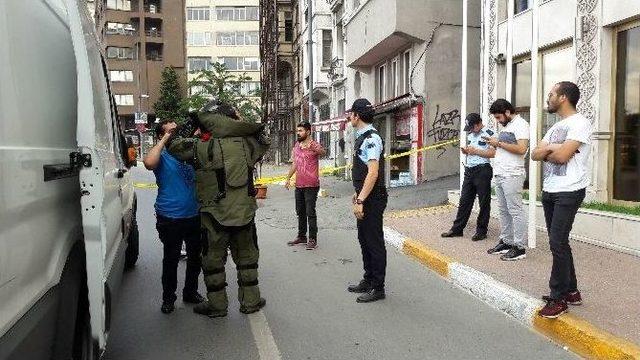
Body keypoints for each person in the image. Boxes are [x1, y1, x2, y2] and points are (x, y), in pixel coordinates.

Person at [167, 102, 269, 318]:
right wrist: (241, 124)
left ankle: (217, 305)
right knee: (247, 258)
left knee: (213, 261)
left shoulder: (200, 147)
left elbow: (173, 145)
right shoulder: (248, 144)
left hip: (213, 215)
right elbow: (264, 139)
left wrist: (193, 122)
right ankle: (250, 301)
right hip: (244, 213)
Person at [531, 81, 592, 318]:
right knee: (560, 242)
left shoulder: (581, 123)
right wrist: (552, 150)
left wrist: (552, 150)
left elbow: (564, 156)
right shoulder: (556, 126)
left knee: (557, 243)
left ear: (563, 97)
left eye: (551, 94)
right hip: (551, 190)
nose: (548, 98)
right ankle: (572, 291)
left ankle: (558, 299)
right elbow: (535, 153)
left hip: (570, 189)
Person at [143, 120, 204, 314]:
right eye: (170, 131)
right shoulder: (162, 155)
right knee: (171, 257)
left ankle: (190, 291)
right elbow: (148, 163)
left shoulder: (189, 154)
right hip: (170, 217)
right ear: (161, 135)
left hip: (194, 215)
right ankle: (168, 297)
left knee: (196, 257)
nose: (175, 133)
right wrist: (166, 139)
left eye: (175, 129)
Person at [346, 98, 388, 303]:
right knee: (364, 239)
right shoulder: (362, 136)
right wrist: (358, 193)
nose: (349, 117)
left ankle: (378, 287)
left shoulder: (371, 139)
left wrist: (361, 198)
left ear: (357, 116)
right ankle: (369, 279)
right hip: (365, 195)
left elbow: (373, 173)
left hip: (373, 198)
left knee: (374, 242)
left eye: (351, 114)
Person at [484, 99, 530, 261]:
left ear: (508, 112)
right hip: (500, 173)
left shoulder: (521, 125)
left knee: (515, 210)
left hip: (513, 174)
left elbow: (522, 149)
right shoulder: (507, 126)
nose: (497, 121)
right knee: (503, 210)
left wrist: (499, 143)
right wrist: (493, 144)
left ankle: (519, 247)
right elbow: (500, 148)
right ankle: (507, 241)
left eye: (498, 117)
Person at [441, 113, 495, 241]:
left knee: (484, 202)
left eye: (471, 127)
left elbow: (493, 153)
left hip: (482, 170)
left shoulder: (490, 133)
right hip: (470, 170)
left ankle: (481, 231)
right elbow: (473, 151)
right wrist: (467, 151)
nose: (470, 130)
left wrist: (475, 151)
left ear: (478, 124)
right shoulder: (471, 135)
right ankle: (457, 229)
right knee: (464, 200)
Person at [285, 122, 326, 250]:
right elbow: (295, 164)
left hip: (311, 185)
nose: (298, 133)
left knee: (310, 212)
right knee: (300, 211)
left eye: (301, 130)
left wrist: (315, 148)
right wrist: (288, 178)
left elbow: (323, 152)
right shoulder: (297, 146)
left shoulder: (313, 144)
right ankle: (302, 236)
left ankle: (312, 238)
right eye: (297, 131)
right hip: (299, 184)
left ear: (308, 131)